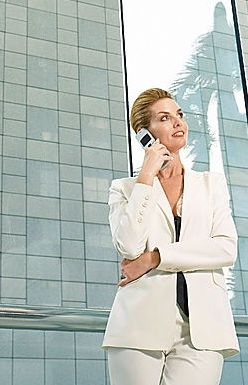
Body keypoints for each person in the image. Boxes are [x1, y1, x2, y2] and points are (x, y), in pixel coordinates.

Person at [102, 87, 240, 384]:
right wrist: (145, 178)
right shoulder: (124, 189)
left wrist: (156, 258)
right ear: (144, 133)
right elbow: (128, 245)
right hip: (138, 324)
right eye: (165, 117)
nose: (178, 122)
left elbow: (225, 248)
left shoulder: (210, 184)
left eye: (179, 115)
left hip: (203, 327)